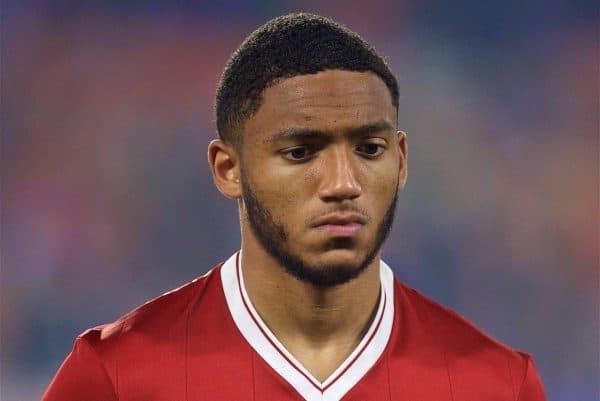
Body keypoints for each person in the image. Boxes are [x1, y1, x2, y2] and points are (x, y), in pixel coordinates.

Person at [42, 13, 547, 401]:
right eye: (300, 152)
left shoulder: (496, 384)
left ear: (401, 160)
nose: (342, 184)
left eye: (369, 149)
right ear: (228, 169)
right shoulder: (116, 376)